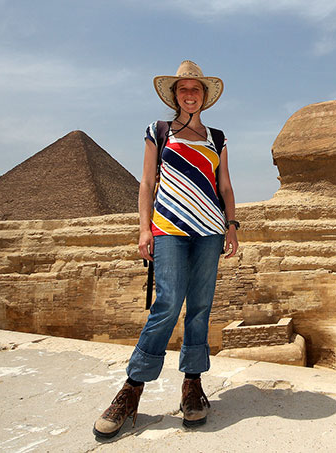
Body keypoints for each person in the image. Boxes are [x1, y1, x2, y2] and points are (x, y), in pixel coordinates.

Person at [94, 60, 239, 438]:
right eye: (183, 89)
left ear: (205, 97)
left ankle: (192, 385)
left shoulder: (217, 137)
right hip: (169, 229)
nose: (190, 95)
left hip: (209, 230)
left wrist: (232, 225)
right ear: (174, 95)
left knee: (201, 305)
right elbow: (146, 183)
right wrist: (144, 229)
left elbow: (224, 186)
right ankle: (132, 389)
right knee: (168, 303)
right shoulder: (158, 131)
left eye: (196, 90)